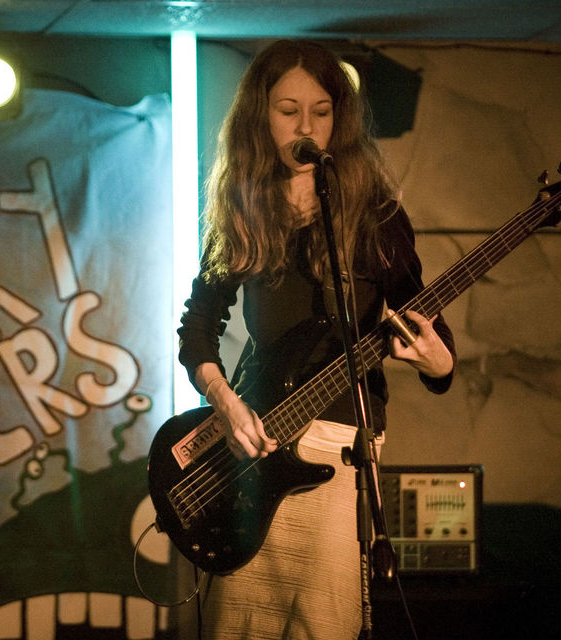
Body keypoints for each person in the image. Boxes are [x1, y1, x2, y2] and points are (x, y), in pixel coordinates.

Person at [176, 40, 456, 639]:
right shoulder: (242, 211)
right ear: (261, 117)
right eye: (288, 110)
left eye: (322, 112)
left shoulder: (377, 217)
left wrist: (436, 360)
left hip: (339, 446)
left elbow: (432, 335)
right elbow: (197, 327)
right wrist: (224, 403)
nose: (306, 127)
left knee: (324, 624)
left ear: (339, 121)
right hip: (256, 449)